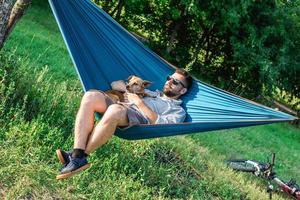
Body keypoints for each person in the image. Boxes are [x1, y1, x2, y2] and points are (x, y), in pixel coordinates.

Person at [56, 68, 193, 179]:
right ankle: (77, 154)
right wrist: (129, 90)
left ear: (182, 91)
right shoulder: (153, 92)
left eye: (175, 82)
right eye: (169, 78)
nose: (169, 82)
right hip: (121, 103)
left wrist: (138, 102)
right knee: (90, 96)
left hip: (138, 117)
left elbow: (159, 123)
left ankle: (78, 158)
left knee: (114, 110)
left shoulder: (177, 110)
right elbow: (115, 85)